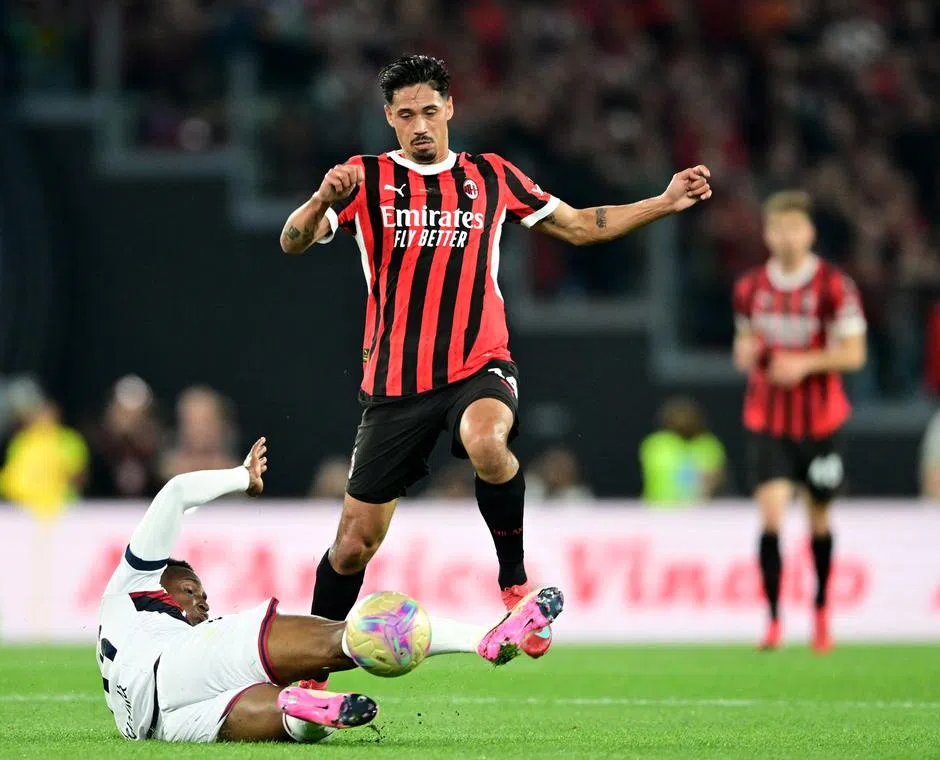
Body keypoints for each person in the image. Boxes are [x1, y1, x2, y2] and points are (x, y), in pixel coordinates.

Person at [279, 54, 711, 673]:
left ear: (450, 108)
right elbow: (293, 240)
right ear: (389, 119)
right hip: (395, 386)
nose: (421, 125)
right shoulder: (363, 179)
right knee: (352, 546)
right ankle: (309, 675)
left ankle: (514, 588)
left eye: (431, 110)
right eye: (407, 115)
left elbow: (582, 226)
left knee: (486, 440)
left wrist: (664, 202)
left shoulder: (492, 176)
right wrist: (321, 198)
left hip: (477, 365)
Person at [98, 437, 564, 744]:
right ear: (162, 577)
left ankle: (303, 713)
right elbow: (176, 492)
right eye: (190, 588)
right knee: (344, 637)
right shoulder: (132, 584)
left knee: (278, 718)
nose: (202, 599)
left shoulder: (130, 634)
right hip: (174, 668)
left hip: (156, 724)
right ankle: (482, 638)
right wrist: (244, 478)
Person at [732, 190, 867, 652]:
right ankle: (772, 620)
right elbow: (744, 348)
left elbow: (854, 353)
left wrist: (805, 364)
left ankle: (822, 610)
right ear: (768, 234)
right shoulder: (751, 288)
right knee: (770, 516)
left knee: (818, 518)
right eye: (778, 228)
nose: (787, 237)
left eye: (795, 227)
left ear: (809, 232)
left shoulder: (833, 286)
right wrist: (748, 355)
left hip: (822, 422)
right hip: (768, 420)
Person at [639, 396, 726, 506]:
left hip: (699, 512)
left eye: (687, 416)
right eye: (678, 416)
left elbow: (714, 480)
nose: (683, 420)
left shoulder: (708, 444)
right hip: (658, 509)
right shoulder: (656, 444)